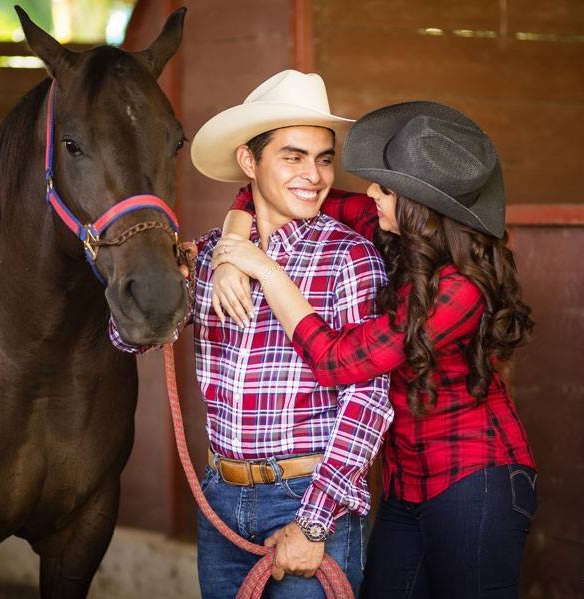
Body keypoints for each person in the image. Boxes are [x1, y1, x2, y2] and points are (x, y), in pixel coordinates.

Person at [211, 101, 537, 599]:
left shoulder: (460, 289)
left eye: (383, 188)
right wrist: (230, 250)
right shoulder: (386, 222)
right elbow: (268, 190)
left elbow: (339, 360)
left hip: (475, 478)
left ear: (415, 206)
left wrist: (266, 270)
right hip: (405, 483)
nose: (368, 194)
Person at [108, 70, 393, 598]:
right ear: (249, 162)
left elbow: (368, 402)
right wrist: (153, 273)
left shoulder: (349, 257)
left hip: (307, 495)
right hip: (221, 495)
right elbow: (131, 339)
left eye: (324, 157)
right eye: (293, 156)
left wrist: (314, 522)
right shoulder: (212, 256)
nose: (314, 174)